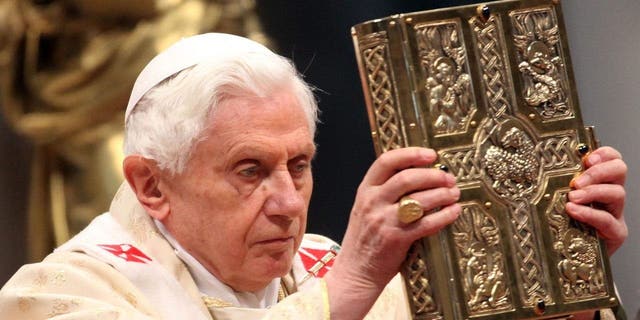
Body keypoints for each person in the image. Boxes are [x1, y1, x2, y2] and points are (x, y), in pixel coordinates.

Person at [0, 33, 628, 319]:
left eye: (298, 166)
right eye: (250, 170)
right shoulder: (59, 295)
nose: (286, 203)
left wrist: (563, 264)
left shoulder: (352, 276)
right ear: (151, 186)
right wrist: (347, 289)